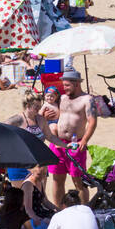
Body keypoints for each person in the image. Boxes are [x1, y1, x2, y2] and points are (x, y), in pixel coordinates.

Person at [42, 69, 98, 203]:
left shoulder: (87, 99)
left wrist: (84, 140)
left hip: (75, 143)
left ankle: (84, 210)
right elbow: (50, 114)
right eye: (63, 85)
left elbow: (92, 121)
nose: (64, 88)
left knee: (78, 181)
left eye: (67, 85)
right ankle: (59, 209)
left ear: (77, 84)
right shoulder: (61, 98)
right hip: (58, 143)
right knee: (57, 179)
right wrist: (45, 117)